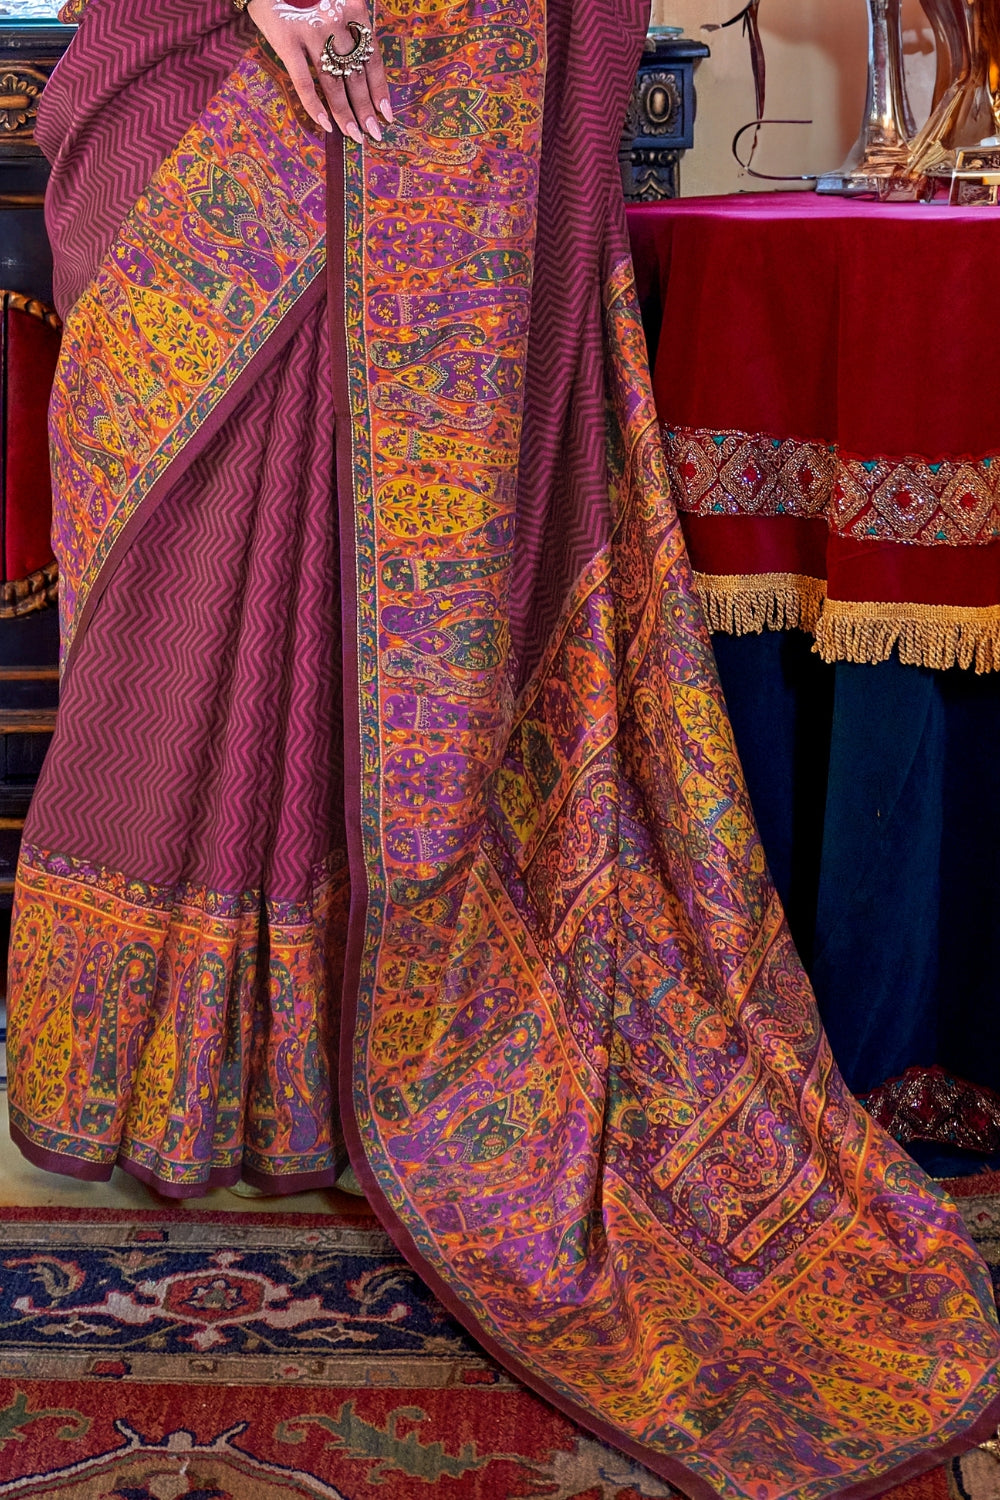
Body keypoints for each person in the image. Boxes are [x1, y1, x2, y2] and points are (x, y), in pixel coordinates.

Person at [6, 0, 1000, 1495]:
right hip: (208, 57)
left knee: (412, 576)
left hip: (483, 60)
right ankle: (206, 1061)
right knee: (186, 561)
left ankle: (351, 1045)